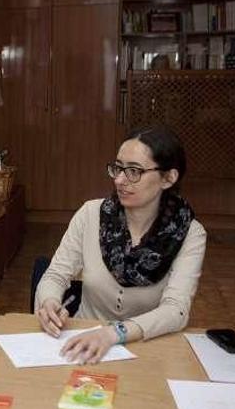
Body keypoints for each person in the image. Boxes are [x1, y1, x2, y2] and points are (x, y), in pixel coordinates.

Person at [34, 126, 206, 365]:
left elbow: (175, 310)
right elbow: (55, 275)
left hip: (147, 348)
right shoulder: (91, 214)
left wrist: (113, 334)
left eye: (134, 171)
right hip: (81, 345)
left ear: (168, 178)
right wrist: (49, 303)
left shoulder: (190, 233)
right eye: (118, 168)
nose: (119, 180)